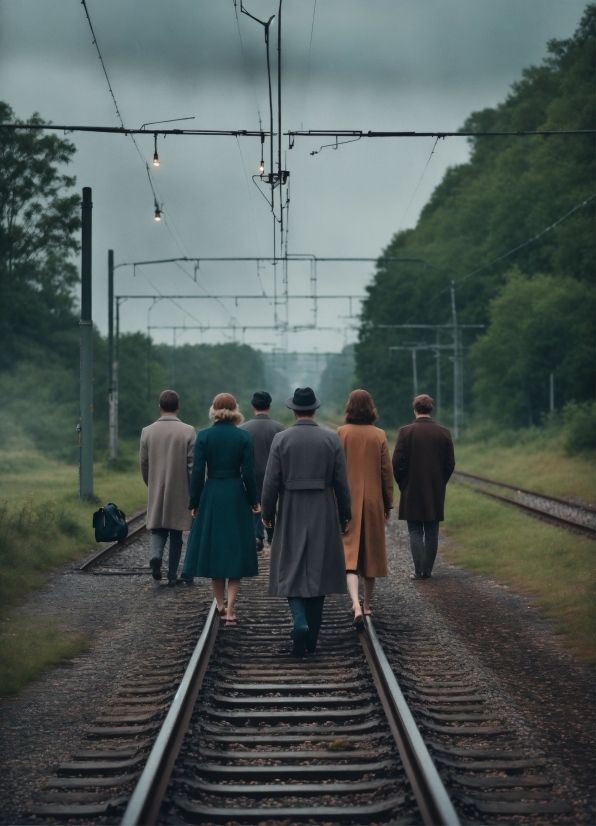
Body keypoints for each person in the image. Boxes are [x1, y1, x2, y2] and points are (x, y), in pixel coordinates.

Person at [262, 387, 351, 655]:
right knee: (319, 569)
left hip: (291, 508)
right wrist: (345, 514)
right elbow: (341, 482)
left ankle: (299, 621)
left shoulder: (281, 439)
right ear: (314, 409)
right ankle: (311, 641)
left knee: (290, 566)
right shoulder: (331, 439)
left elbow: (270, 481)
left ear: (293, 410)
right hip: (322, 508)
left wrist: (268, 513)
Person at [181, 393, 260, 622]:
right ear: (235, 409)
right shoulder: (243, 436)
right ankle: (232, 610)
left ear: (213, 409)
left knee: (215, 550)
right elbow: (248, 473)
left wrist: (194, 501)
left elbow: (197, 473)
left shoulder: (204, 436)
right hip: (236, 493)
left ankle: (220, 604)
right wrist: (254, 499)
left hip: (213, 493)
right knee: (235, 550)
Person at [337, 389, 393, 625]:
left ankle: (355, 604)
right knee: (371, 554)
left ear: (349, 407)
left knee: (349, 555)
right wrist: (388, 502)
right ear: (371, 408)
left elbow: (336, 470)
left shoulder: (341, 433)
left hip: (348, 501)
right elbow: (386, 472)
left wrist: (336, 502)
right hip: (372, 502)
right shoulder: (379, 434)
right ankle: (368, 605)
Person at [392, 394, 455, 580]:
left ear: (415, 409)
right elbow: (450, 463)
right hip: (435, 489)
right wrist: (440, 481)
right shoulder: (443, 432)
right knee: (432, 530)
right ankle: (428, 571)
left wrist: (403, 482)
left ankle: (418, 570)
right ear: (431, 409)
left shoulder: (405, 432)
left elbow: (396, 462)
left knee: (415, 530)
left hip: (411, 487)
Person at [140, 389, 196, 585]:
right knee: (176, 534)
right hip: (179, 490)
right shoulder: (188, 431)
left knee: (158, 530)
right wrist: (193, 491)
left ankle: (155, 557)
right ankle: (172, 575)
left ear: (160, 407)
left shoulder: (147, 431)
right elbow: (192, 465)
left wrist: (151, 483)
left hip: (157, 487)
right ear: (178, 407)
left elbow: (144, 463)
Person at [240, 391, 284, 551]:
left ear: (253, 407)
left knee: (255, 503)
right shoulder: (279, 428)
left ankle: (258, 535)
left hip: (251, 473)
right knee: (271, 503)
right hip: (274, 473)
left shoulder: (243, 429)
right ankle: (272, 536)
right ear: (269, 406)